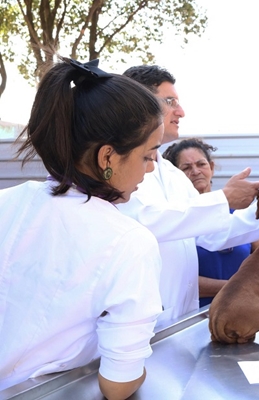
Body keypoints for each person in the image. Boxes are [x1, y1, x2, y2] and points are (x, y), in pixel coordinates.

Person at [0, 58, 164, 399]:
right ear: (108, 158)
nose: (151, 169)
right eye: (149, 155)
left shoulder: (8, 203)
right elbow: (117, 386)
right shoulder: (128, 243)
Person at [117, 65, 259, 322]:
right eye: (170, 101)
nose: (181, 112)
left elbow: (210, 234)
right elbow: (144, 221)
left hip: (180, 319)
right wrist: (224, 199)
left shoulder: (173, 175)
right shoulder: (119, 165)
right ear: (140, 104)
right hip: (136, 323)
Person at [162, 138, 254, 307]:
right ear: (175, 176)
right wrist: (239, 287)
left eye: (201, 164)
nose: (195, 171)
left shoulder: (238, 211)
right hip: (196, 316)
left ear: (211, 167)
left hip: (244, 309)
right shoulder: (176, 219)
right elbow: (177, 279)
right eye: (186, 168)